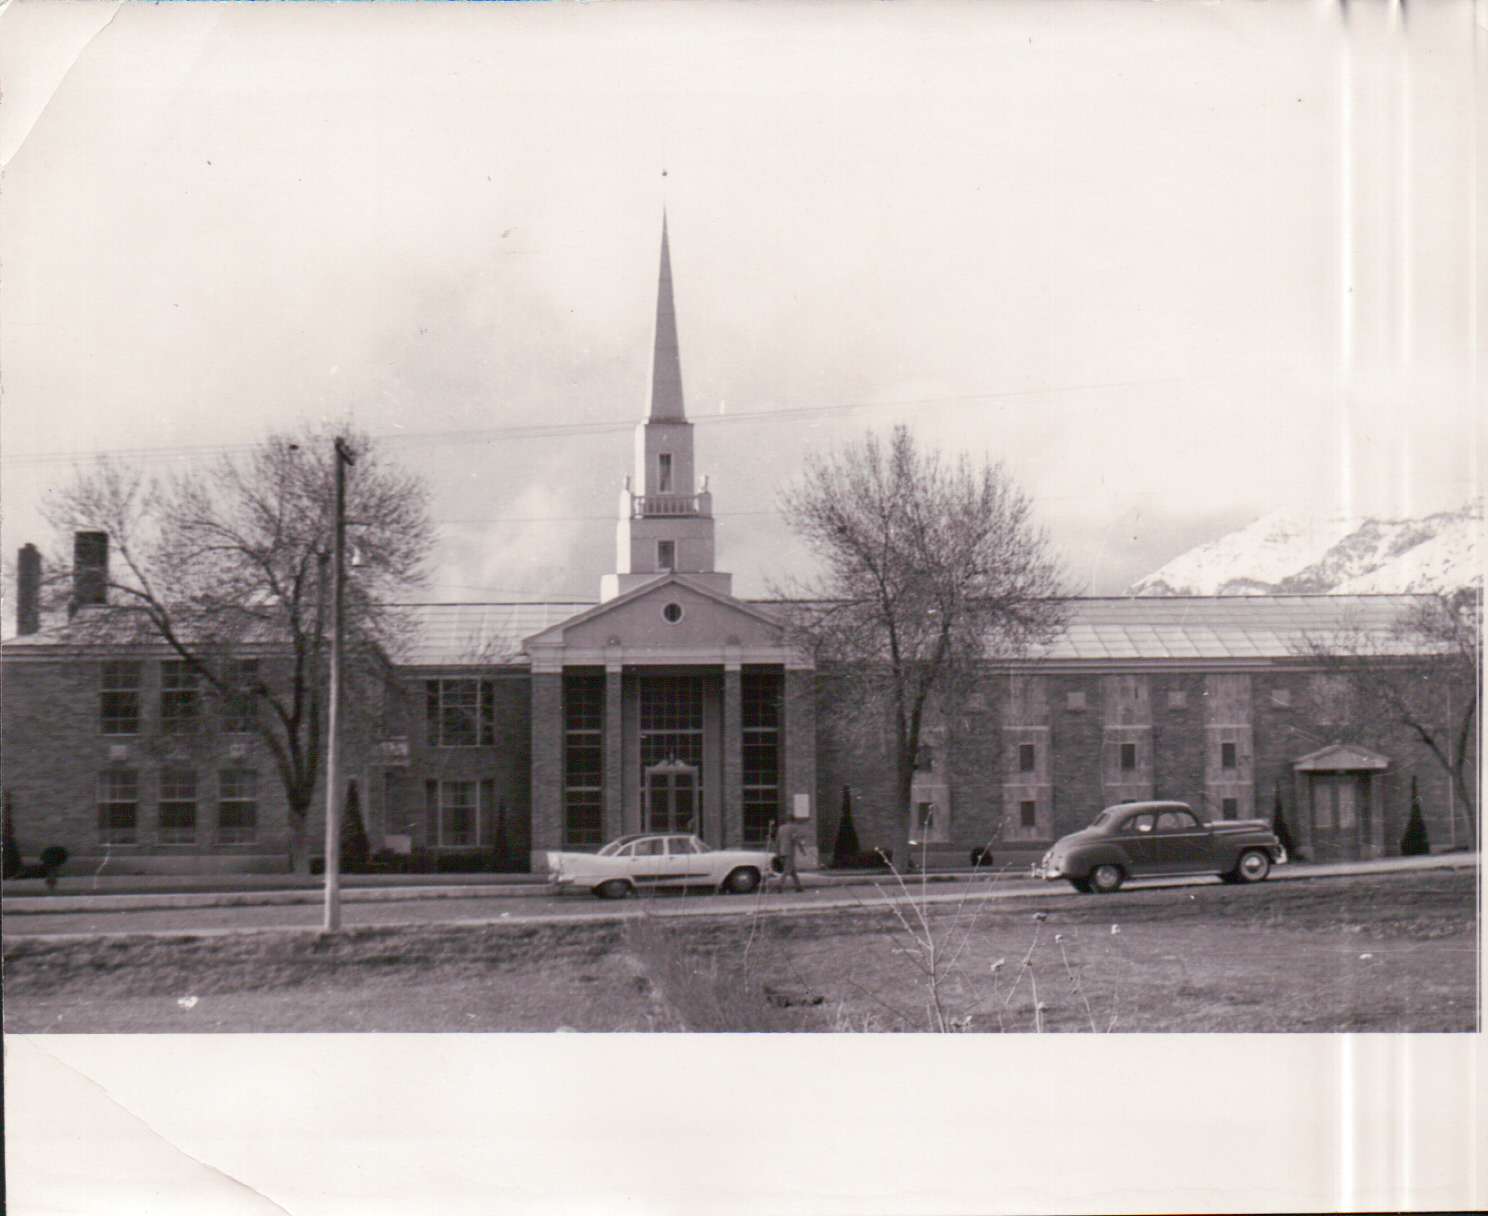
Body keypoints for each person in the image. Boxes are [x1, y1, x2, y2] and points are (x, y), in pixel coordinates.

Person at [772, 817, 806, 893]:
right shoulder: (794, 828)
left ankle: (799, 887)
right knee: (787, 870)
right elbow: (796, 839)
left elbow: (777, 841)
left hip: (782, 851)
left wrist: (777, 852)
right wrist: (802, 850)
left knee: (792, 871)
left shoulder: (780, 828)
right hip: (789, 852)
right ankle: (780, 886)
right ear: (793, 820)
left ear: (787, 820)